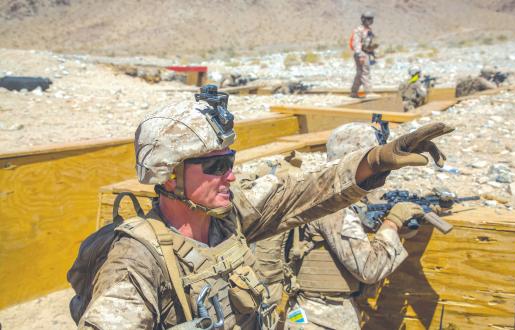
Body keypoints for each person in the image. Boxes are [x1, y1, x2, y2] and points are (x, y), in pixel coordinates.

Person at [75, 85, 453, 329]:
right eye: (216, 166)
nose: (231, 176)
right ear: (170, 175)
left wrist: (376, 160)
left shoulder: (227, 218)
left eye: (231, 162)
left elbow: (305, 193)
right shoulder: (136, 261)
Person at [252, 123, 426, 329]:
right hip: (325, 317)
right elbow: (370, 268)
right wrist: (392, 223)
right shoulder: (335, 210)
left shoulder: (318, 196)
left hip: (307, 314)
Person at [350, 12, 378, 98]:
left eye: (371, 19)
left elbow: (370, 43)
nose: (369, 21)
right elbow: (356, 43)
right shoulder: (359, 30)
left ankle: (354, 92)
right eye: (368, 19)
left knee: (360, 73)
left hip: (366, 53)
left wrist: (373, 54)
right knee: (365, 72)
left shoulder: (369, 29)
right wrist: (360, 55)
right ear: (363, 19)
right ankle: (369, 92)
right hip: (361, 53)